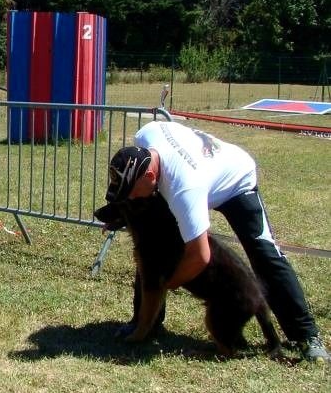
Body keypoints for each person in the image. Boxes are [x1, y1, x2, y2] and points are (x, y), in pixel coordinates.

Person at [104, 120, 329, 363]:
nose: (131, 197)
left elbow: (200, 256)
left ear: (149, 175)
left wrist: (166, 283)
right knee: (153, 248)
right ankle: (145, 323)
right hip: (201, 170)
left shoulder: (184, 189)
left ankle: (306, 335)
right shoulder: (146, 135)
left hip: (236, 179)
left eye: (132, 191)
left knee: (264, 252)